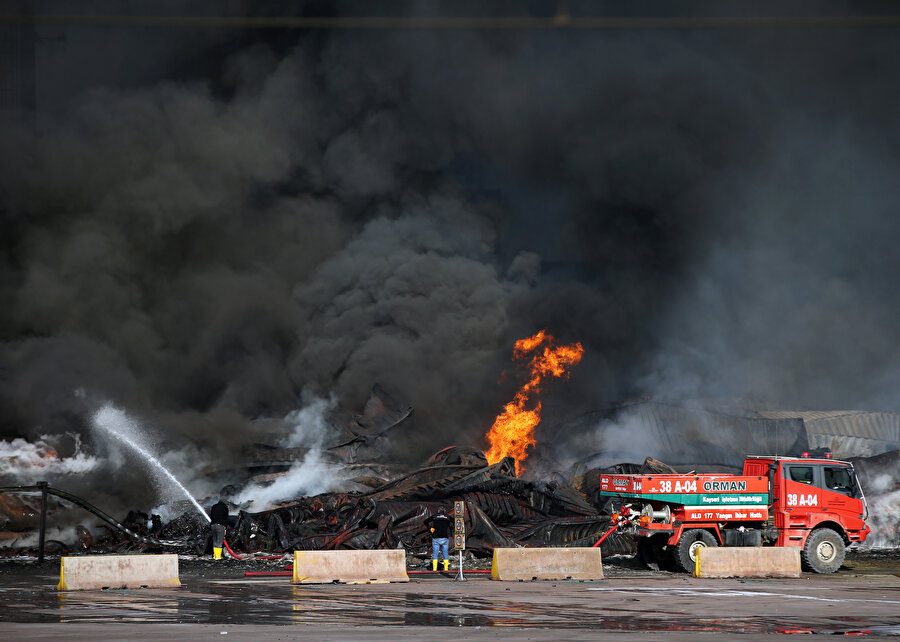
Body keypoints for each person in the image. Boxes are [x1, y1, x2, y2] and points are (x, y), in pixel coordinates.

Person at [424, 507, 452, 571]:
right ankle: (446, 568)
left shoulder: (435, 516)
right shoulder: (448, 517)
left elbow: (425, 521)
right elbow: (455, 522)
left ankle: (434, 569)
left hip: (436, 538)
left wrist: (430, 528)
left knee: (435, 553)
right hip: (445, 538)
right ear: (444, 511)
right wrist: (450, 529)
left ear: (438, 510)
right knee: (445, 553)